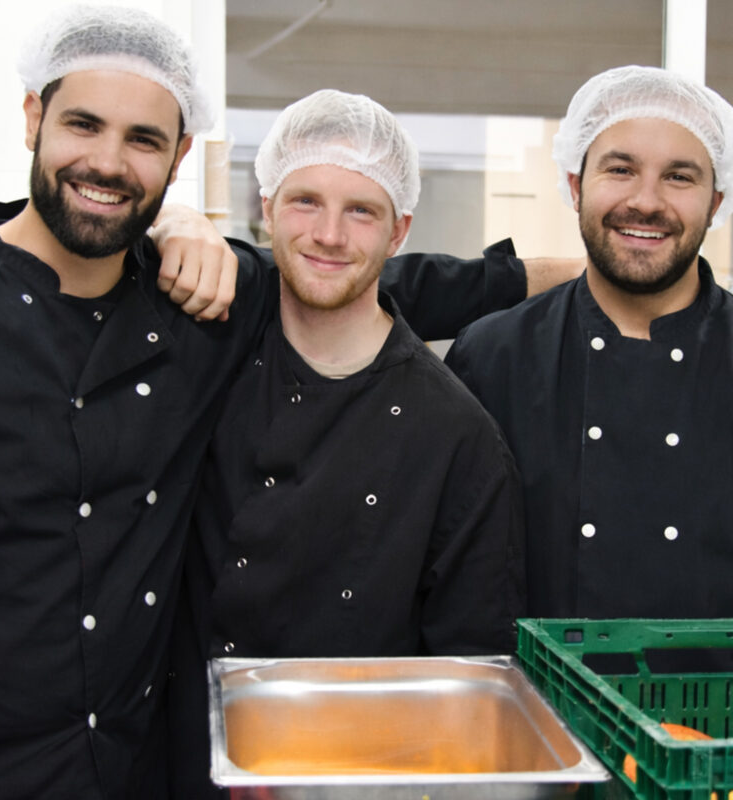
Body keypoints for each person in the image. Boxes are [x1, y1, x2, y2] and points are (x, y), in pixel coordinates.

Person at [0, 7, 560, 799]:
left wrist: (556, 274)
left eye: (143, 140)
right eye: (84, 124)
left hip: (130, 768)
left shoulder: (192, 311)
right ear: (33, 117)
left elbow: (344, 282)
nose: (107, 161)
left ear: (179, 155)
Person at [169, 89, 526, 798]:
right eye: (305, 201)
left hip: (348, 778)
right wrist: (170, 223)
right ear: (265, 209)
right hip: (175, 759)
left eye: (361, 210)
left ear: (399, 233)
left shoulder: (457, 435)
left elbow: (470, 675)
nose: (329, 234)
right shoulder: (204, 352)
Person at [445, 66, 733, 637]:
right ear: (575, 184)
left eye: (679, 177)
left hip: (719, 719)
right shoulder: (493, 356)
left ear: (715, 202)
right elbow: (460, 583)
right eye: (620, 169)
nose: (647, 201)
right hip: (535, 715)